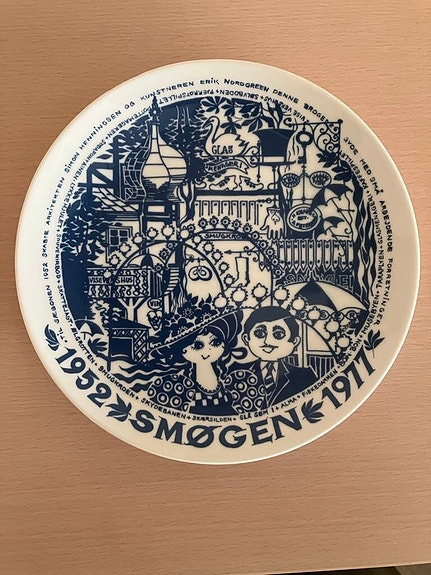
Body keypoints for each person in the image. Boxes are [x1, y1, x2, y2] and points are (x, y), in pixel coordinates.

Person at [119, 307, 244, 416]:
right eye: (197, 345)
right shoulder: (177, 387)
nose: (208, 350)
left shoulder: (232, 383)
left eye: (215, 342)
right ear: (183, 350)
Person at [226, 306, 317, 413]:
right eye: (259, 333)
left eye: (278, 334)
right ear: (246, 339)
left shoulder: (304, 376)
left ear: (295, 341)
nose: (267, 341)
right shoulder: (236, 373)